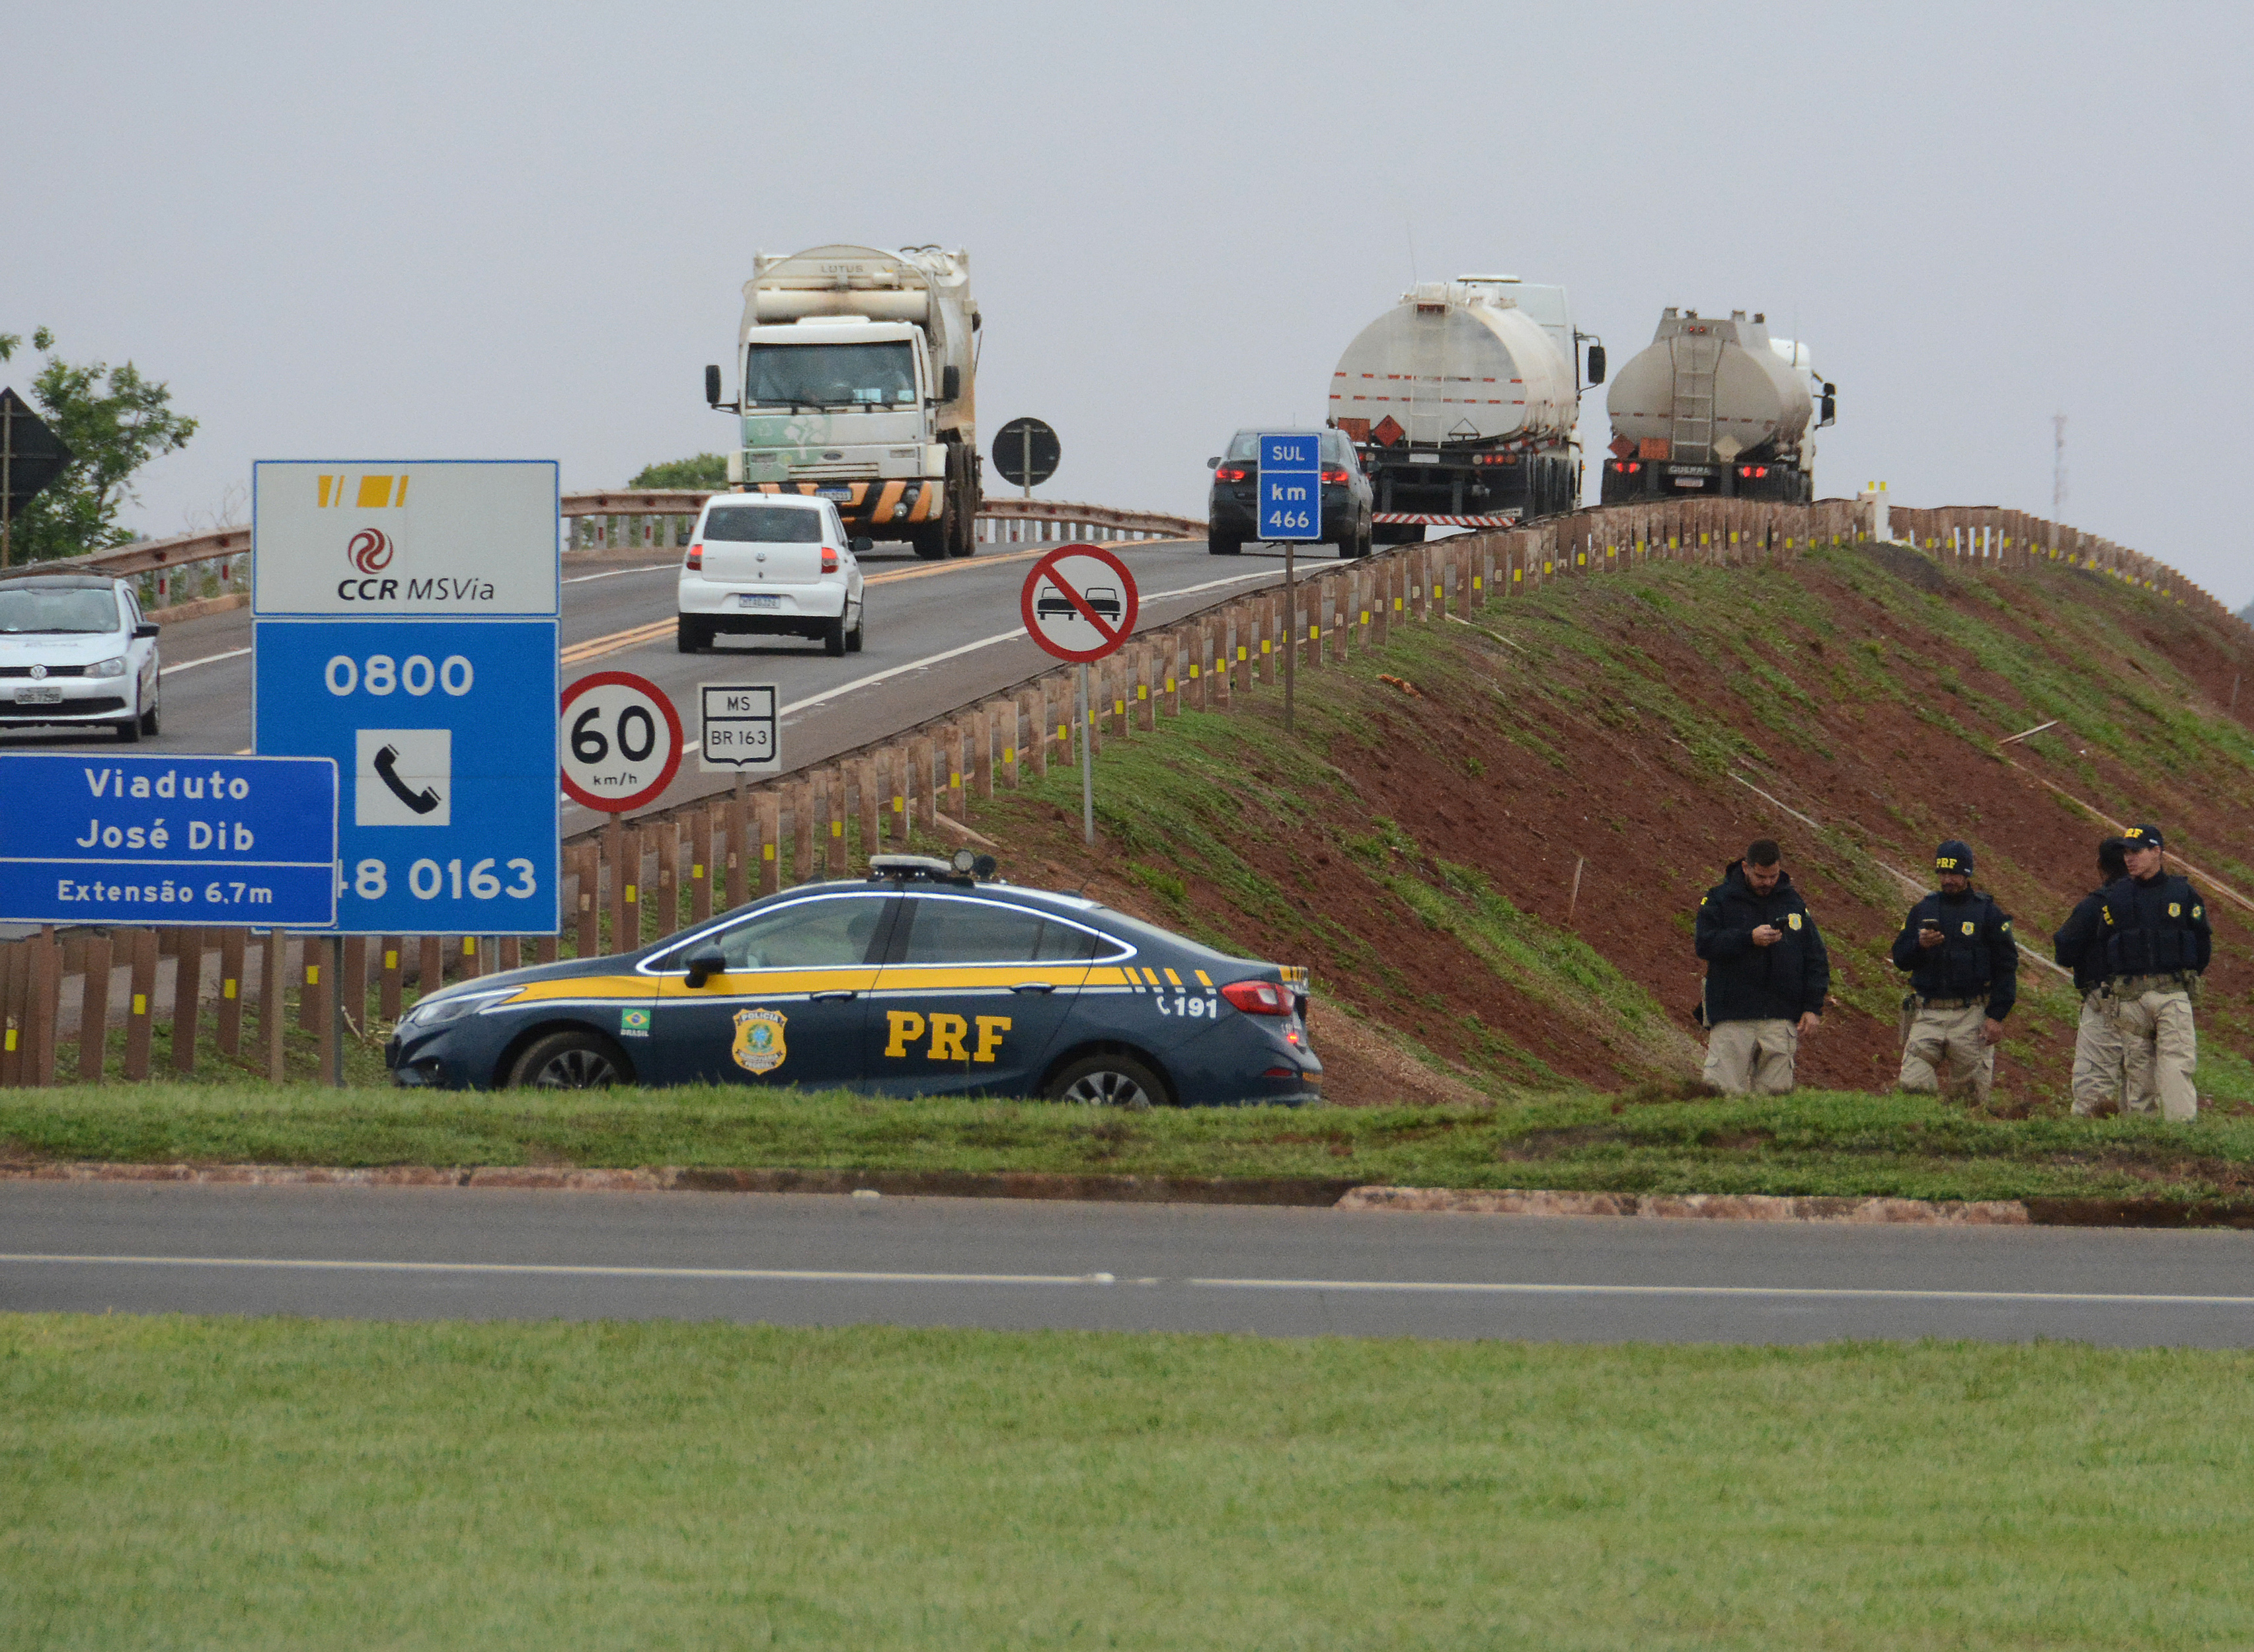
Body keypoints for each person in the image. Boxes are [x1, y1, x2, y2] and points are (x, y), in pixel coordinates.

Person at [1693, 838, 1830, 1094]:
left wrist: (1812, 1008)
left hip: (1779, 1018)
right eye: (1760, 876)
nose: (1767, 882)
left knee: (1774, 1102)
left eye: (1773, 876)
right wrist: (1748, 939)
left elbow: (1816, 957)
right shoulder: (1720, 899)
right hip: (1732, 1017)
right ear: (1746, 867)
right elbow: (1705, 944)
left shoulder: (1793, 903)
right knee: (1721, 1095)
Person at [2097, 823, 2211, 1123]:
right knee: (2137, 1071)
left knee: (2176, 1066)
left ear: (2157, 852)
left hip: (2171, 992)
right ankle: (2141, 1138)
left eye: (2136, 852)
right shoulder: (2117, 895)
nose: (2128, 859)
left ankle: (2181, 1135)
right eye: (2125, 853)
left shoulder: (2182, 893)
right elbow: (2104, 940)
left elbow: (2202, 942)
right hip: (2131, 996)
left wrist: (2185, 976)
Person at [1890, 839, 2017, 1104]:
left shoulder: (1988, 913)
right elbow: (1900, 958)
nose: (1948, 880)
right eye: (1942, 873)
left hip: (1970, 1017)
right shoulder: (1923, 909)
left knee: (1969, 1100)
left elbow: (2006, 967)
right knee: (1913, 1089)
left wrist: (1996, 1016)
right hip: (1928, 1014)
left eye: (1954, 874)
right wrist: (1920, 945)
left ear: (1967, 874)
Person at [2054, 837, 2136, 1116]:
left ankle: (2088, 1152)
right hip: (2152, 1002)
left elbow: (2064, 949)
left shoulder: (2096, 904)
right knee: (2141, 1090)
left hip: (2106, 1004)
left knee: (2093, 1088)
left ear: (2099, 865)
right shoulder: (2153, 901)